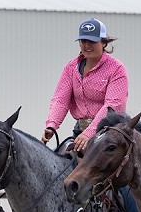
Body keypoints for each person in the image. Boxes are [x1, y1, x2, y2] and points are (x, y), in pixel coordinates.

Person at [41, 18, 129, 152]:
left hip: (108, 134)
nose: (87, 45)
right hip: (80, 132)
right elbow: (60, 100)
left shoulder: (117, 69)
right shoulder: (70, 68)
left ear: (103, 42)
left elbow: (113, 105)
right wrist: (52, 125)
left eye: (92, 41)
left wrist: (89, 132)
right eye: (83, 41)